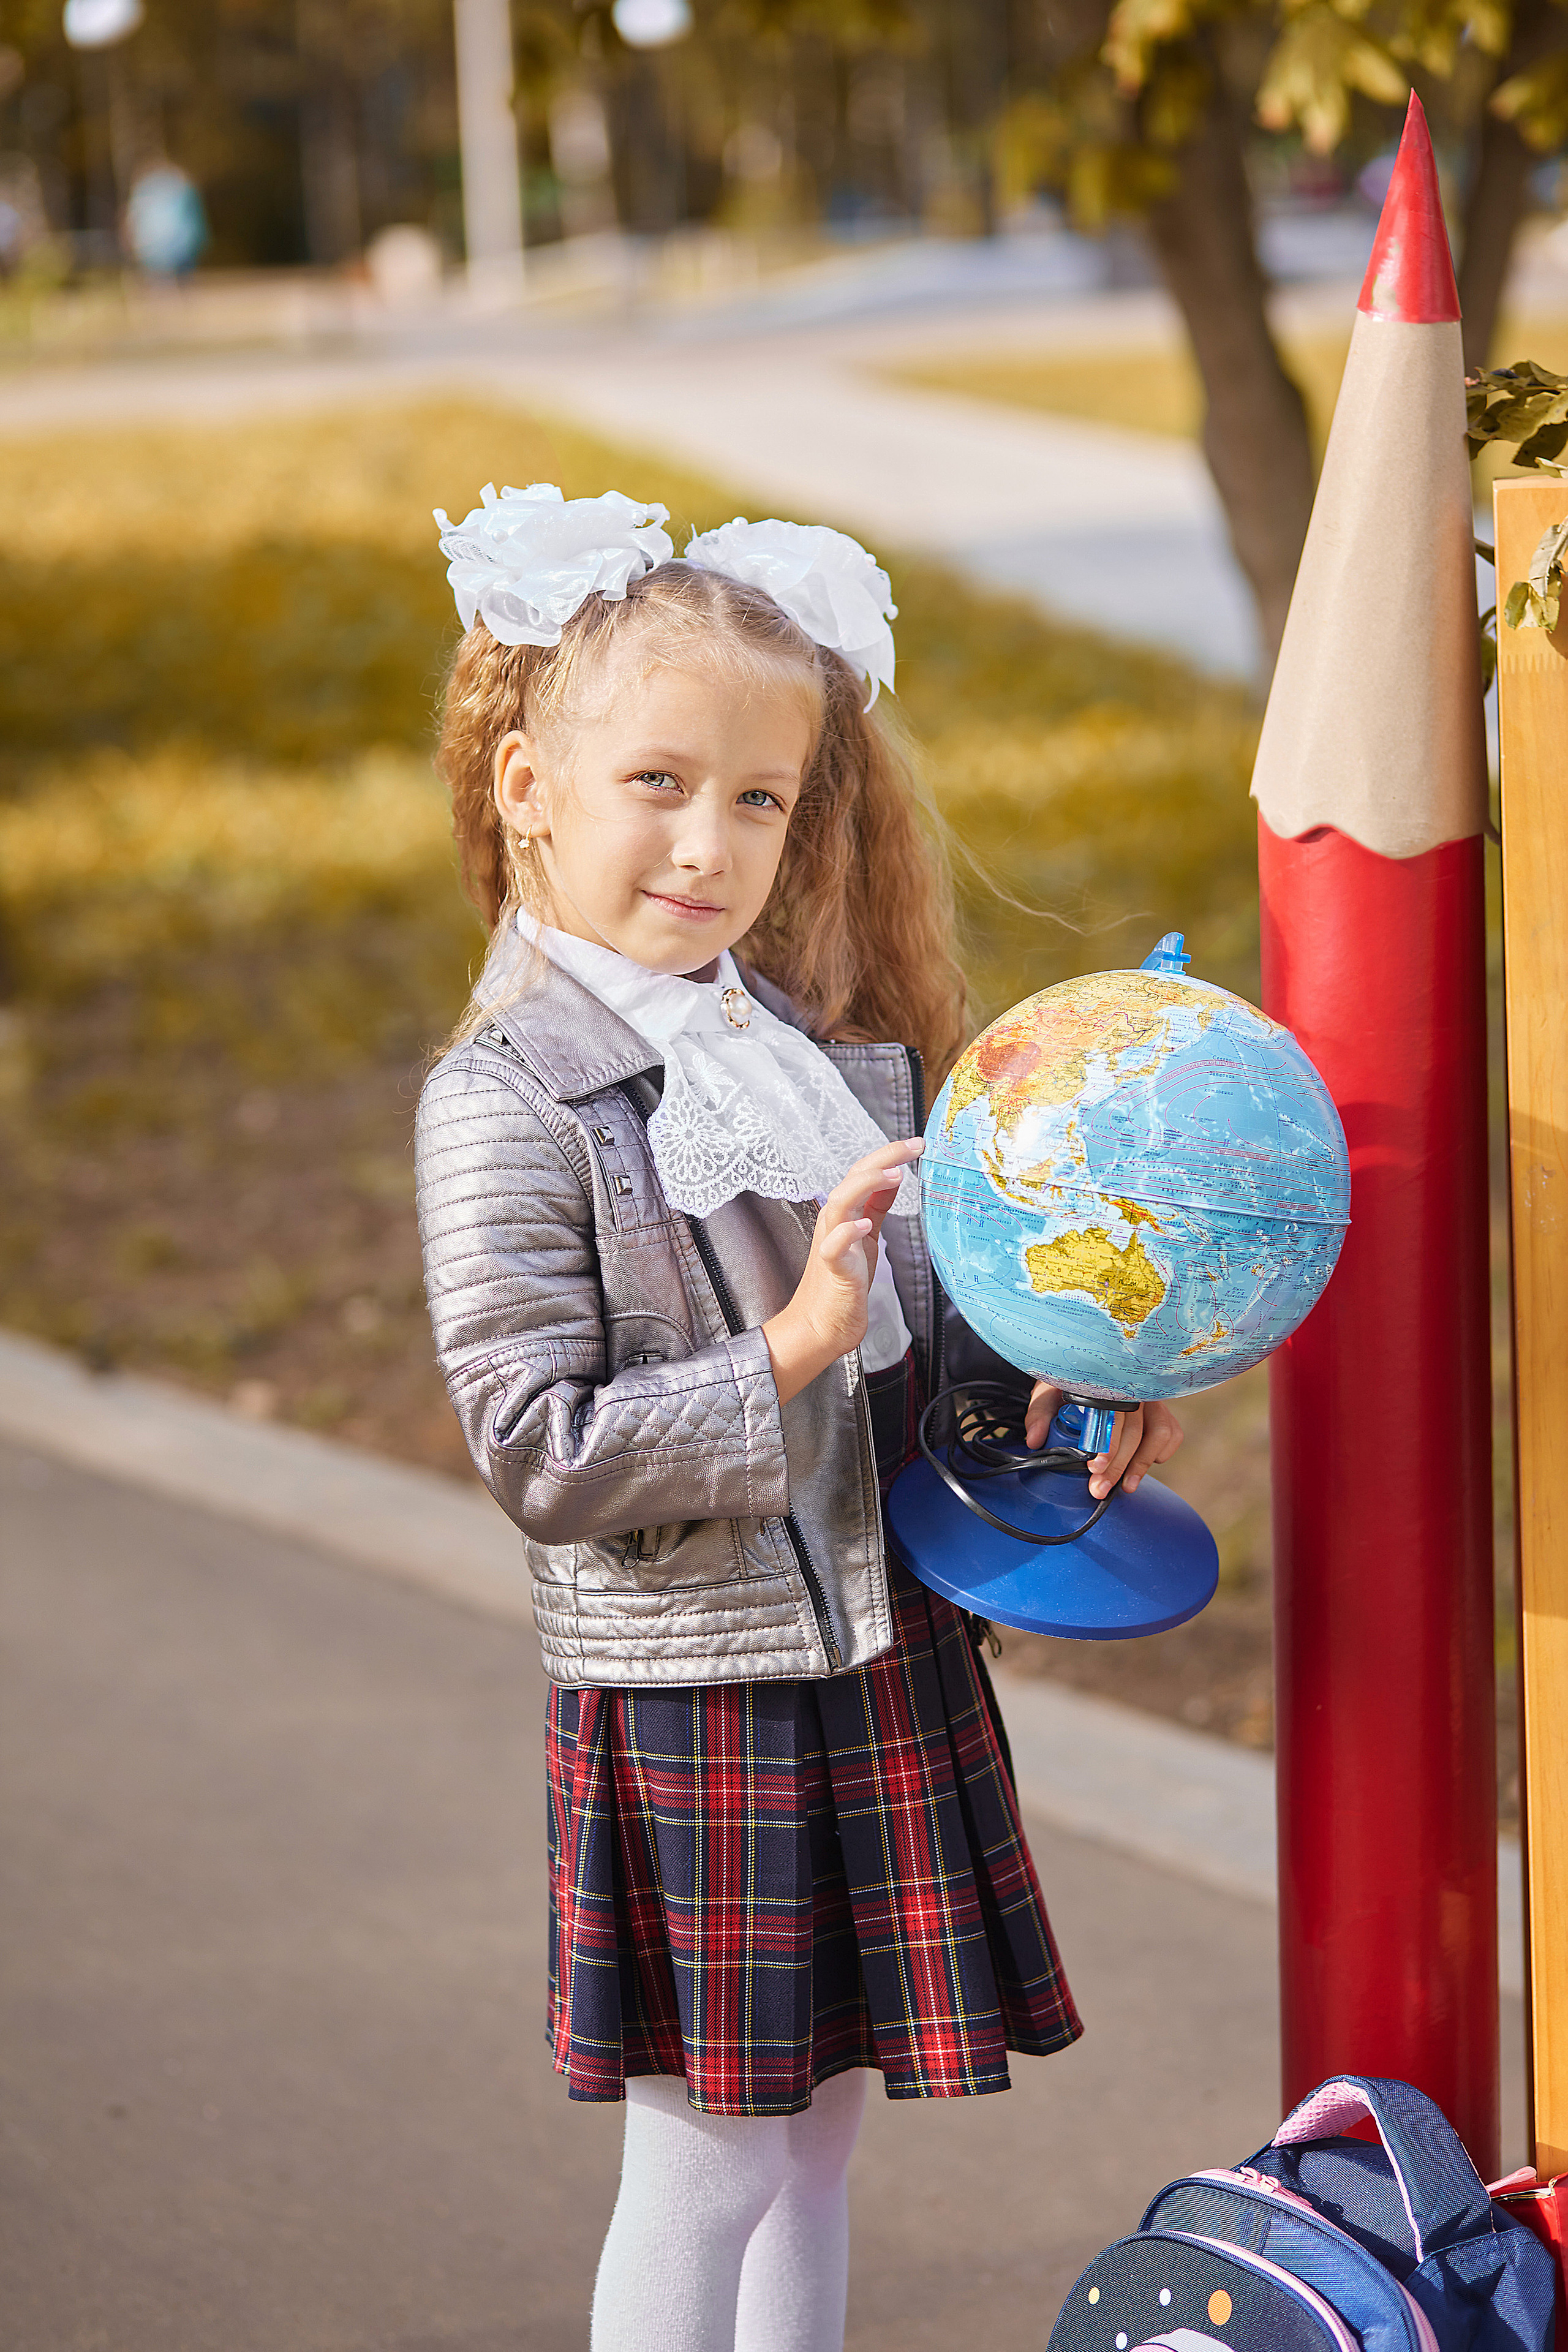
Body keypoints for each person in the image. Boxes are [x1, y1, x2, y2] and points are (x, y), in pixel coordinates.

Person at [415, 482, 1183, 2351]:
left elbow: (909, 1348)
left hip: (875, 1652)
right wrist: (786, 1346)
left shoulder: (807, 1050)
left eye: (759, 799)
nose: (710, 844)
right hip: (708, 1692)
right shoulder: (509, 1097)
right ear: (528, 785)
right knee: (711, 2169)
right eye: (658, 783)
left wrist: (1051, 1394)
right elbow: (541, 1446)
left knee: (820, 2147)